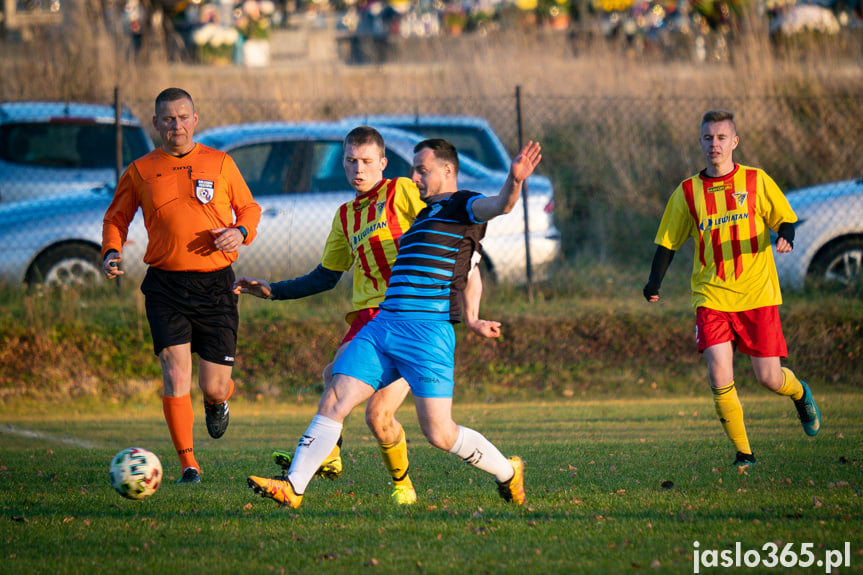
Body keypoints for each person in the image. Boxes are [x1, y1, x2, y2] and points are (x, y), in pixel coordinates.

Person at [246, 138, 542, 508]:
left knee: (439, 432)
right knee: (335, 393)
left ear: (447, 171)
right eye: (414, 168)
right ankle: (294, 487)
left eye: (422, 169)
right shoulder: (422, 217)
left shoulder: (463, 204)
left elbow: (500, 206)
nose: (414, 176)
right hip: (384, 325)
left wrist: (514, 181)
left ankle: (508, 472)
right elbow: (468, 268)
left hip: (427, 333)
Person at [233, 126, 426, 505]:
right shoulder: (345, 215)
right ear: (342, 163)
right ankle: (324, 458)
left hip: (409, 317)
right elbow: (326, 276)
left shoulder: (400, 190)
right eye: (351, 161)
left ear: (382, 163)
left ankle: (401, 483)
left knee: (378, 417)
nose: (359, 168)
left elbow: (436, 227)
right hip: (368, 318)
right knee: (332, 377)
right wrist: (273, 290)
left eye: (367, 161)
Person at [643, 110, 820, 467]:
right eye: (708, 138)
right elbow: (668, 242)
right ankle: (744, 453)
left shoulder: (756, 181)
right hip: (711, 295)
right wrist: (654, 281)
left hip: (757, 293)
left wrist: (786, 234)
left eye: (722, 137)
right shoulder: (688, 192)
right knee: (718, 372)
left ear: (734, 142)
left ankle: (799, 393)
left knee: (769, 378)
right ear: (700, 143)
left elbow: (785, 218)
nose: (715, 145)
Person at [102, 87, 261, 484]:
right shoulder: (140, 170)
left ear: (195, 119)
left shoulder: (220, 163)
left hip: (216, 287)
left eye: (183, 117)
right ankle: (188, 464)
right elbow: (115, 219)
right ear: (156, 123)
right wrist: (110, 251)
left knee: (214, 386)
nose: (177, 125)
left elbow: (250, 209)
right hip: (166, 286)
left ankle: (218, 400)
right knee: (175, 372)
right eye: (168, 119)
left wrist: (240, 231)